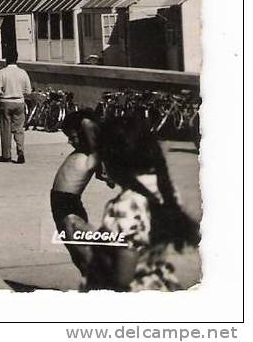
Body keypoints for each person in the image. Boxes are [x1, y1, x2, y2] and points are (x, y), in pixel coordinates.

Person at [71, 116, 200, 291]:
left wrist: (95, 243)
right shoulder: (162, 188)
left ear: (112, 160)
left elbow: (124, 274)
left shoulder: (125, 206)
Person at [51, 109, 100, 274]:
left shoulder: (95, 151)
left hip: (68, 206)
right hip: (62, 204)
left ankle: (103, 288)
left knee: (83, 254)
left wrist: (83, 122)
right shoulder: (89, 151)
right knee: (77, 255)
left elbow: (87, 124)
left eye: (73, 136)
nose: (70, 141)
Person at [0, 55, 32, 163]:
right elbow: (28, 91)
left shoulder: (1, 72)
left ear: (6, 61)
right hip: (19, 102)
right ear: (16, 60)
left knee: (5, 129)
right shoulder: (23, 72)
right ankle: (20, 151)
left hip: (5, 102)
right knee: (19, 129)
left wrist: (4, 93)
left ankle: (6, 155)